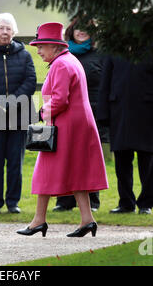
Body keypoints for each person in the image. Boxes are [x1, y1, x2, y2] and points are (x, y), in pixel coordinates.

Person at [16, 22, 108, 238]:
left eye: (41, 46)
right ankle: (87, 220)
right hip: (76, 125)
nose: (37, 51)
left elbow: (59, 100)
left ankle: (39, 221)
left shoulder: (61, 65)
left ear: (54, 46)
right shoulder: (69, 60)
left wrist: (39, 114)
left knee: (44, 171)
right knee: (76, 172)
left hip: (66, 126)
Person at [53, 17, 110, 212]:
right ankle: (65, 200)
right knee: (66, 155)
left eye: (85, 29)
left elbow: (106, 83)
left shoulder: (99, 54)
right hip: (67, 111)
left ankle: (92, 201)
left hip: (92, 110)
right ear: (71, 31)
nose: (81, 32)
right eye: (78, 28)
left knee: (90, 156)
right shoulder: (62, 55)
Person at [0, 13, 36, 215]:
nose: (5, 32)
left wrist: (13, 101)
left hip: (19, 115)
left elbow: (30, 80)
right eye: (1, 28)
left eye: (8, 28)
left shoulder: (24, 55)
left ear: (14, 32)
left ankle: (13, 202)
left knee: (15, 162)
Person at [97, 56, 153, 215]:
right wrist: (103, 113)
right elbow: (105, 82)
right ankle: (126, 203)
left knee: (147, 159)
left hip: (146, 111)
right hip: (119, 111)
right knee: (121, 160)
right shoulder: (114, 49)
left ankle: (146, 203)